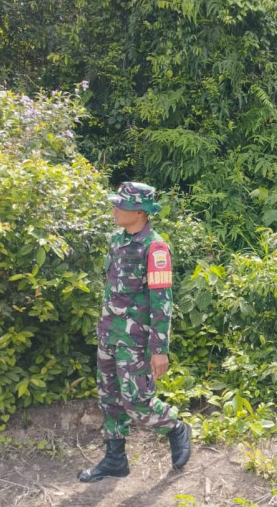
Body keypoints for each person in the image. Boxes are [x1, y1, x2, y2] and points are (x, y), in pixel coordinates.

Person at [78, 182, 191, 483]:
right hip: (109, 334)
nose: (114, 208)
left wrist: (160, 349)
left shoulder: (156, 248)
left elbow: (162, 301)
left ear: (140, 212)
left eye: (121, 205)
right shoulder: (117, 240)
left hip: (136, 340)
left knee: (137, 401)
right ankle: (115, 460)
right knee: (109, 398)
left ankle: (175, 427)